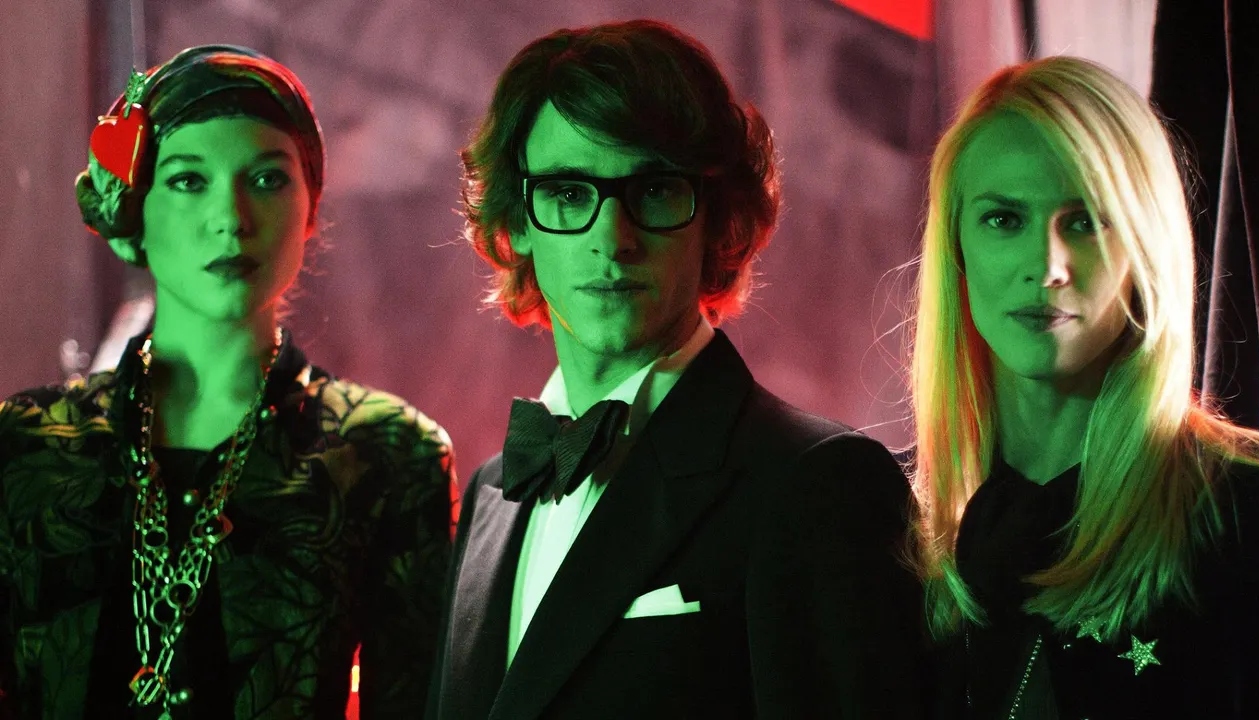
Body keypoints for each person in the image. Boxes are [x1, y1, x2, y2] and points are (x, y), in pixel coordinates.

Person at [428, 19, 927, 720]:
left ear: (717, 219)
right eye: (569, 192)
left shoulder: (820, 482)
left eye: (655, 190)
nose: (613, 238)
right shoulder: (492, 490)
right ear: (516, 224)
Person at [0, 45, 456, 719]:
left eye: (268, 179)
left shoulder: (386, 452)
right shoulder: (26, 446)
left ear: (311, 208)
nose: (232, 217)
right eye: (188, 179)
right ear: (137, 206)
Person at [909, 55, 1259, 719]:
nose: (1047, 265)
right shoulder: (905, 535)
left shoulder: (1252, 512)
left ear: (1145, 247)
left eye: (1084, 221)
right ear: (957, 247)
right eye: (1004, 219)